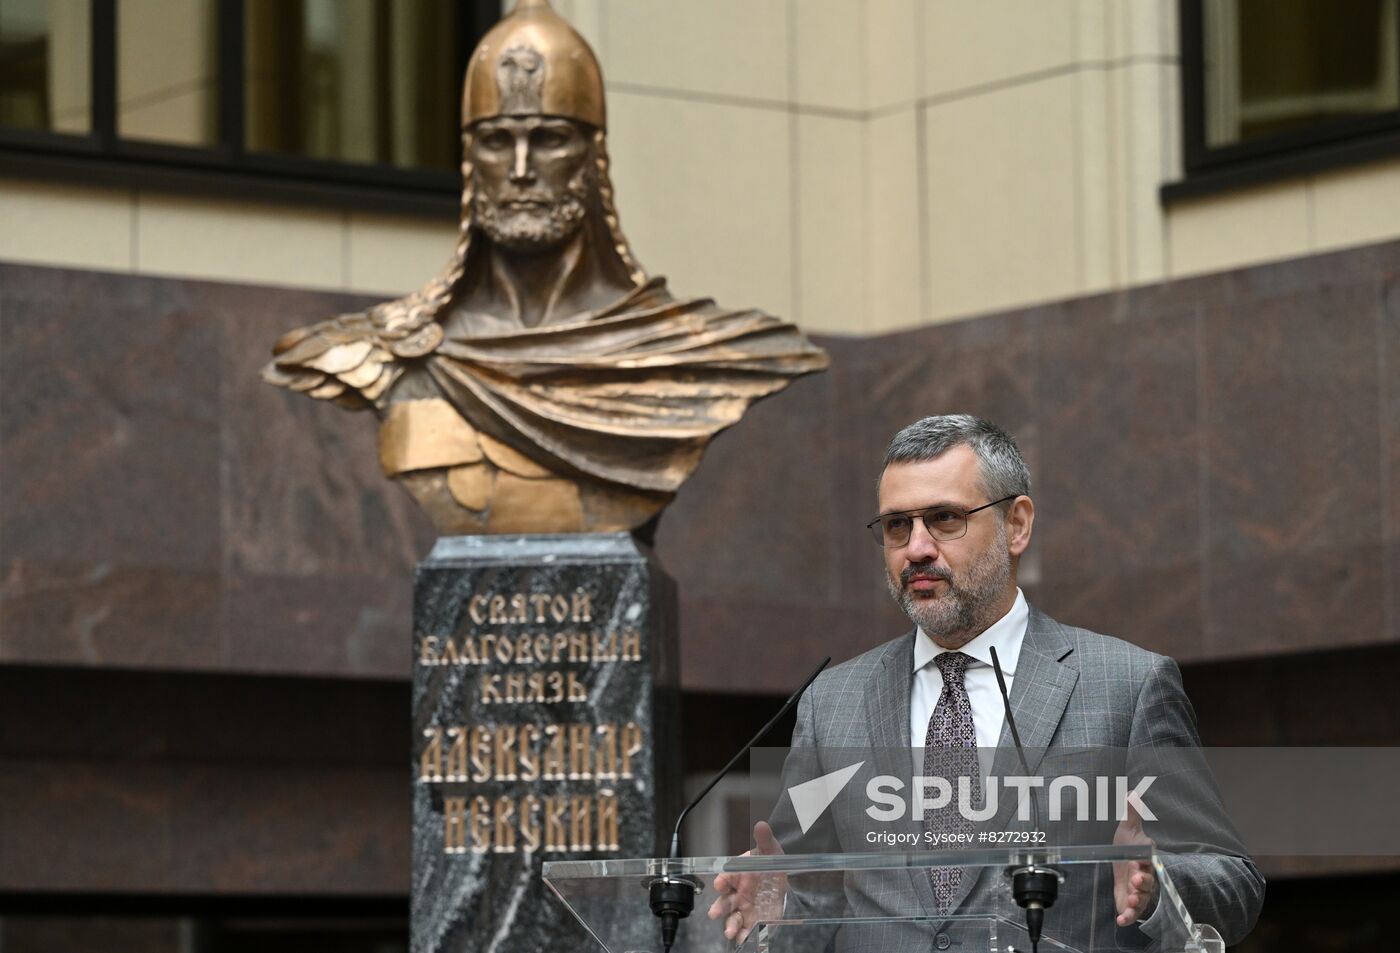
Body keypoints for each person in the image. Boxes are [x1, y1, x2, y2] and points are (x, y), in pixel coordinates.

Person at [261, 0, 826, 536]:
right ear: (469, 161)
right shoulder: (383, 353)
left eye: (550, 139)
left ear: (592, 160)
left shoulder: (701, 353)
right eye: (496, 142)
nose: (522, 168)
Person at [709, 414, 1264, 948]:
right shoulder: (832, 704)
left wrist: (1157, 887)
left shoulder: (1127, 686)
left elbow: (1231, 882)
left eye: (945, 518)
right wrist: (777, 912)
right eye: (897, 525)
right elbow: (811, 892)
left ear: (1016, 525)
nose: (917, 548)